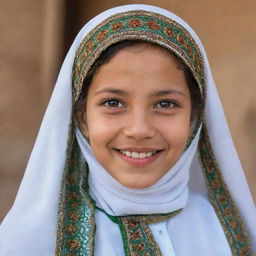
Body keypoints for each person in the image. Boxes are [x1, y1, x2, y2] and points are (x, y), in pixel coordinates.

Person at [0, 4, 255, 256]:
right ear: (82, 117)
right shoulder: (29, 243)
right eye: (113, 103)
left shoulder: (229, 235)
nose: (139, 130)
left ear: (194, 119)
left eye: (165, 104)